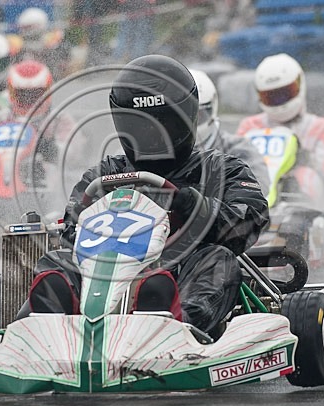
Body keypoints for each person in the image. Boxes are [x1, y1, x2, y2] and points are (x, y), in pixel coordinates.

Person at [26, 54, 270, 337]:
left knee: (217, 259)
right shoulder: (105, 174)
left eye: (161, 127)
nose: (151, 137)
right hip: (107, 275)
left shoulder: (220, 169)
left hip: (180, 274)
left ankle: (176, 321)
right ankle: (45, 324)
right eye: (140, 127)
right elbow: (71, 230)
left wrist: (192, 205)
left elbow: (250, 220)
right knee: (57, 261)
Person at [236, 53, 324, 200]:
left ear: (300, 85)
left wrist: (305, 160)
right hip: (258, 191)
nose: (279, 102)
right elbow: (237, 166)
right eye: (271, 96)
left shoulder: (323, 128)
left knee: (304, 176)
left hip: (305, 198)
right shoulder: (250, 127)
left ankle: (298, 209)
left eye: (285, 94)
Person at [0, 59, 83, 177]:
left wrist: (49, 149)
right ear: (12, 92)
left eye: (35, 94)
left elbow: (73, 153)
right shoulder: (1, 118)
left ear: (46, 92)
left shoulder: (58, 119)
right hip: (2, 176)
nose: (29, 99)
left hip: (45, 180)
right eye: (23, 94)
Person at [189, 68, 270, 198]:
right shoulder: (159, 152)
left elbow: (257, 190)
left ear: (212, 107)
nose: (192, 122)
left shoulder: (238, 148)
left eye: (198, 115)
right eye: (184, 116)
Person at [10, 7, 72, 79]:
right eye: (24, 27)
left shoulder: (52, 41)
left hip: (48, 78)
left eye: (29, 27)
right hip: (23, 78)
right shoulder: (17, 43)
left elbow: (63, 62)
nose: (26, 30)